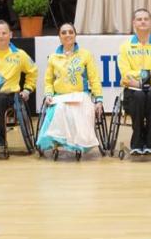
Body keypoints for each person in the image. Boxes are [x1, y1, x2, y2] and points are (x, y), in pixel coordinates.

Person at [37, 23, 103, 154]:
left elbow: (94, 79)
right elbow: (48, 81)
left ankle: (78, 143)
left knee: (79, 110)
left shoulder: (85, 55)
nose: (67, 35)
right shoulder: (53, 58)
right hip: (59, 96)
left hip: (80, 95)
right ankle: (60, 141)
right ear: (59, 37)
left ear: (75, 35)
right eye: (64, 33)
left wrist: (99, 99)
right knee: (60, 108)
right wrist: (49, 95)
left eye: (70, 32)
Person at [117, 9, 151, 155]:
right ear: (134, 23)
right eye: (139, 19)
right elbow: (126, 74)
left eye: (146, 19)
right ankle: (137, 142)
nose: (143, 21)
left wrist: (139, 80)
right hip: (133, 93)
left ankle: (149, 142)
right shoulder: (125, 46)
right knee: (139, 97)